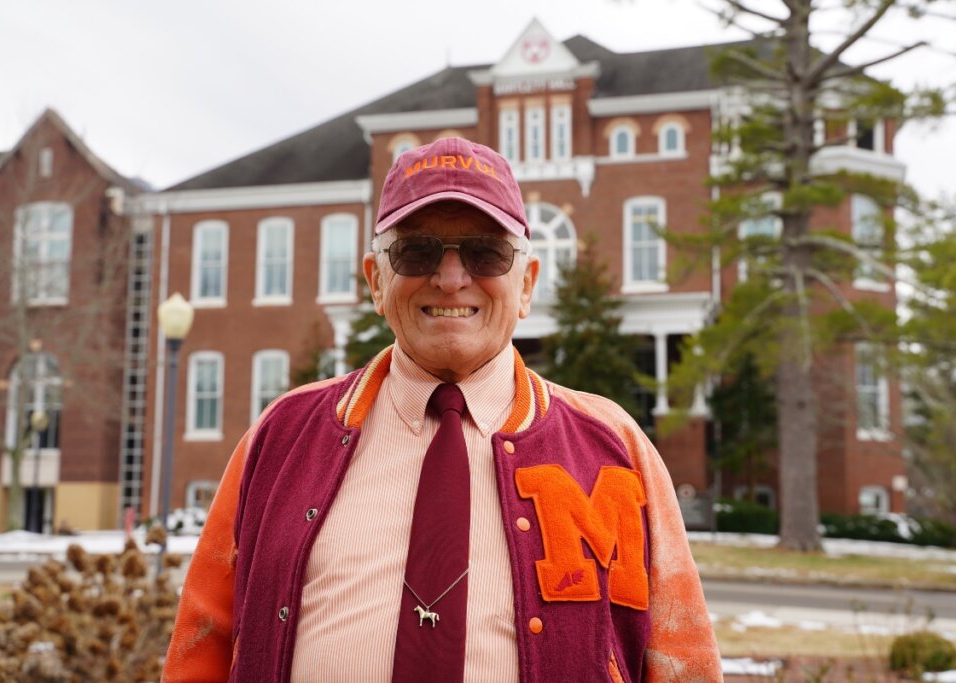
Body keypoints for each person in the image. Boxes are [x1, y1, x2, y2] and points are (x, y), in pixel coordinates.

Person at [163, 137, 721, 682]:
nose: (452, 279)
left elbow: (681, 661)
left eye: (486, 252)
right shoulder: (281, 437)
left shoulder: (615, 449)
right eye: (417, 251)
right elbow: (201, 650)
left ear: (525, 284)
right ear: (377, 281)